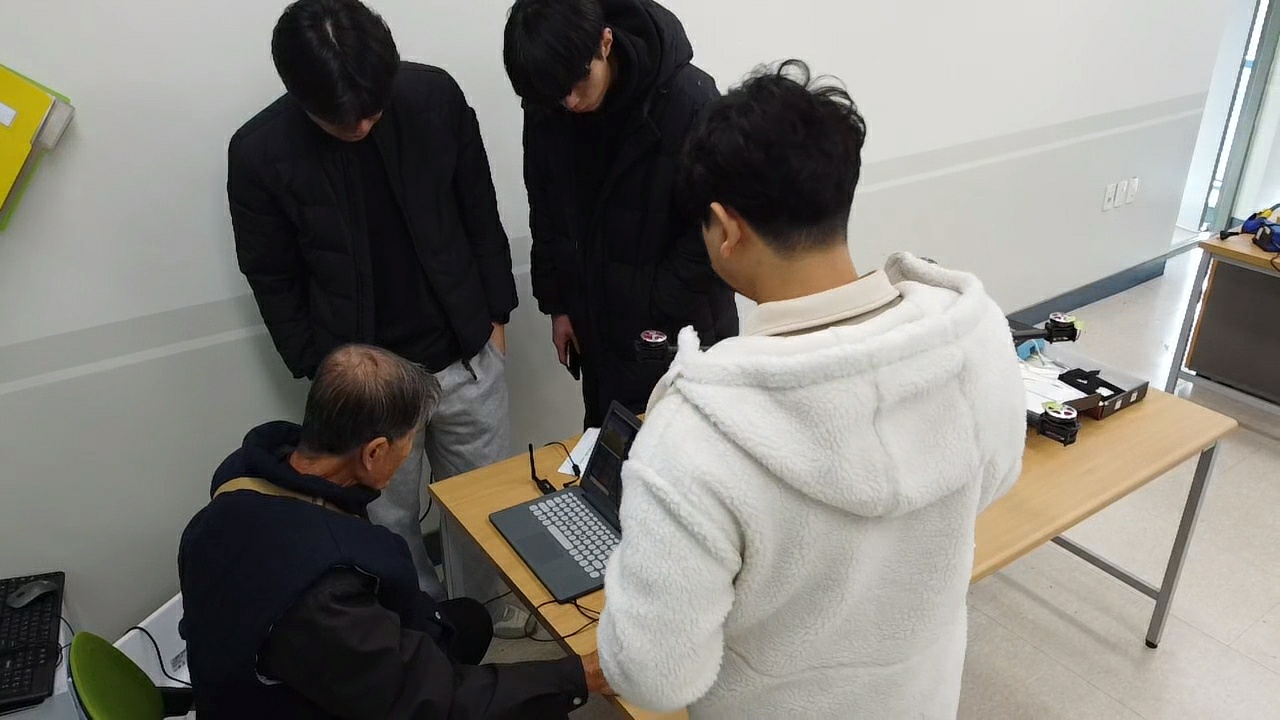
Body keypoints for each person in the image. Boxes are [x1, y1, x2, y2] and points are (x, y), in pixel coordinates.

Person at [596, 61, 1027, 718]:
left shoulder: (694, 436)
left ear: (726, 228)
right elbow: (994, 479)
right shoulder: (974, 341)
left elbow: (655, 677)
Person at [228, 0, 523, 631]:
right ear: (299, 96)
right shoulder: (260, 153)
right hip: (366, 384)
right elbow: (271, 274)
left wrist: (496, 315)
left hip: (464, 350)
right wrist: (319, 365)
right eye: (343, 119)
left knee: (484, 501)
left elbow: (478, 206)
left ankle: (488, 617)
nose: (362, 124)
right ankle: (422, 627)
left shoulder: (433, 96)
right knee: (386, 522)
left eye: (372, 110)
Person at [178, 345, 611, 718]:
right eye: (408, 440)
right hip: (300, 699)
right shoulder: (324, 597)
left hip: (291, 668)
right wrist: (580, 675)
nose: (407, 455)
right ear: (374, 452)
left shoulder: (241, 490)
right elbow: (432, 703)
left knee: (469, 620)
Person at [503, 0, 739, 427]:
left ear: (605, 42)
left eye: (579, 83)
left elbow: (718, 225)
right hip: (598, 332)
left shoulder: (689, 100)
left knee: (687, 448)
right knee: (611, 451)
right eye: (556, 95)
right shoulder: (548, 100)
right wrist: (560, 304)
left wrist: (653, 300)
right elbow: (546, 203)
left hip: (682, 333)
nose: (570, 101)